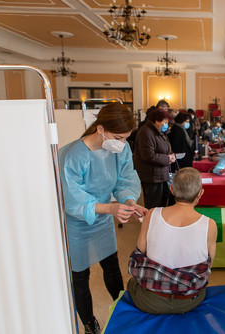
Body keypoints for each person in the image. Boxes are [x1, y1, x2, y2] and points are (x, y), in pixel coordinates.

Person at [59, 102, 147, 334]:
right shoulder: (73, 155)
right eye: (117, 137)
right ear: (100, 129)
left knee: (111, 266)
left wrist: (129, 202)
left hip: (104, 217)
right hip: (76, 224)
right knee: (80, 275)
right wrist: (110, 208)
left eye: (125, 138)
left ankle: (122, 307)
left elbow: (125, 178)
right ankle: (89, 323)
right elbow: (73, 200)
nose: (121, 144)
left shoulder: (120, 149)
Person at [127, 167, 218, 314]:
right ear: (201, 193)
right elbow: (209, 265)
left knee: (132, 283)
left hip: (150, 301)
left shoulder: (151, 214)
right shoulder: (210, 225)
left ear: (172, 190)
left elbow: (139, 254)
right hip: (189, 300)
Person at [134, 108, 176, 209]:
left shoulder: (158, 132)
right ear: (157, 121)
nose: (167, 124)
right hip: (152, 176)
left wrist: (170, 156)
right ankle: (151, 223)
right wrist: (167, 158)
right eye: (165, 122)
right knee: (153, 205)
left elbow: (163, 148)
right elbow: (148, 156)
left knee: (162, 202)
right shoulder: (146, 132)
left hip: (160, 174)